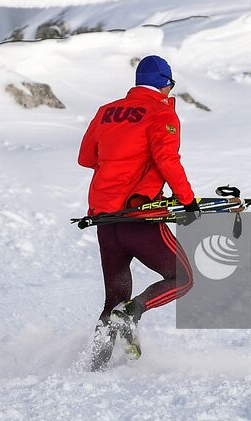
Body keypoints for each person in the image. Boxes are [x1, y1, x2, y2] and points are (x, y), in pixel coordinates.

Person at [77, 54, 197, 370]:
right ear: (165, 83)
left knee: (112, 299)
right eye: (171, 84)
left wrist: (119, 163)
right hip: (139, 215)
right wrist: (188, 201)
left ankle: (93, 367)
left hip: (106, 219)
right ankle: (134, 311)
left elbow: (86, 158)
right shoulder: (160, 112)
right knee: (182, 278)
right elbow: (168, 160)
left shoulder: (106, 111)